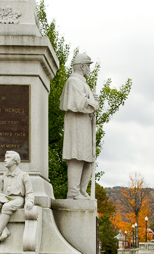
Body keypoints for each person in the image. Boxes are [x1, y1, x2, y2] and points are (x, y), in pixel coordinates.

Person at [59, 52, 99, 200]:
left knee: (87, 157)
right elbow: (80, 103)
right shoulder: (73, 81)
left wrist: (92, 101)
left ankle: (81, 190)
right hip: (77, 123)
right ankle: (73, 192)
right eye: (88, 65)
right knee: (77, 155)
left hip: (84, 123)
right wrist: (93, 103)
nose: (89, 69)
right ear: (81, 66)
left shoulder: (82, 83)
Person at [0, 151, 34, 244]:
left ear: (14, 161)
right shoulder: (4, 175)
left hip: (18, 199)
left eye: (7, 158)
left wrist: (30, 201)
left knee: (6, 207)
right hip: (6, 198)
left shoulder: (24, 175)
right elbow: (2, 190)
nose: (4, 160)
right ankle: (4, 230)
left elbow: (29, 192)